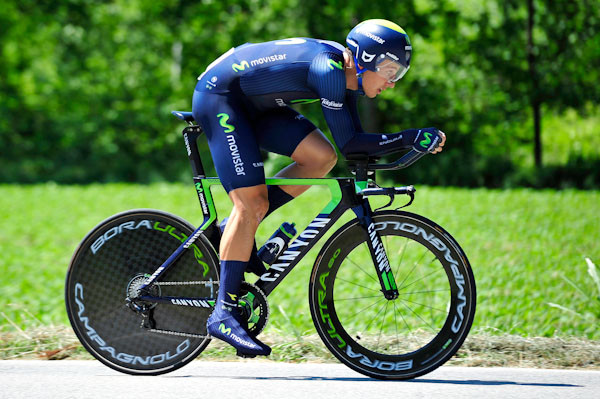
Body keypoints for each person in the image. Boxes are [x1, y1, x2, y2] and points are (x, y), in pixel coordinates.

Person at [191, 19, 445, 357]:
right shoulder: (329, 70)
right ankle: (222, 312)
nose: (392, 82)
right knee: (249, 204)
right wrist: (410, 137)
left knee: (320, 158)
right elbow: (353, 144)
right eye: (390, 70)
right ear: (367, 58)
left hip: (257, 104)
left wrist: (406, 142)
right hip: (221, 98)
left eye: (397, 73)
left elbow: (347, 148)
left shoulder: (347, 77)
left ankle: (234, 233)